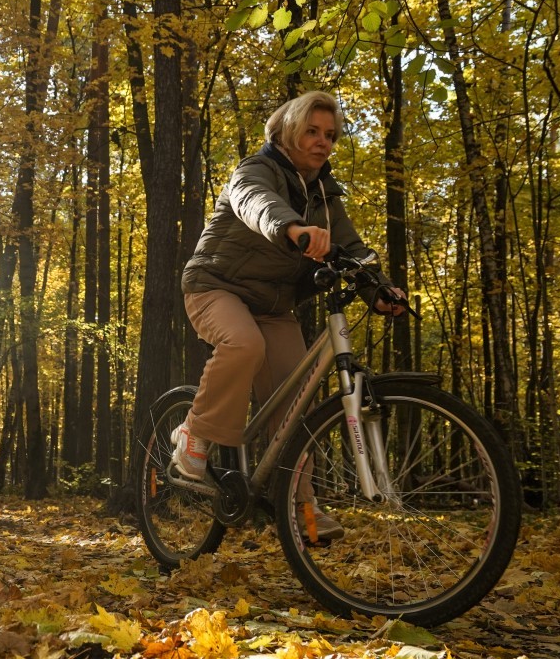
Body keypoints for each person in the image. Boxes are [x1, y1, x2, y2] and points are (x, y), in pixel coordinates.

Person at [173, 90, 407, 540]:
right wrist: (293, 227)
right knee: (243, 344)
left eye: (330, 135)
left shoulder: (324, 195)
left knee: (297, 402)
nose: (323, 142)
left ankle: (302, 507)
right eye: (312, 131)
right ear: (287, 131)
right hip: (215, 287)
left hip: (274, 305)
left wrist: (378, 290)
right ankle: (195, 433)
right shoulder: (255, 170)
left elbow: (353, 249)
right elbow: (255, 203)